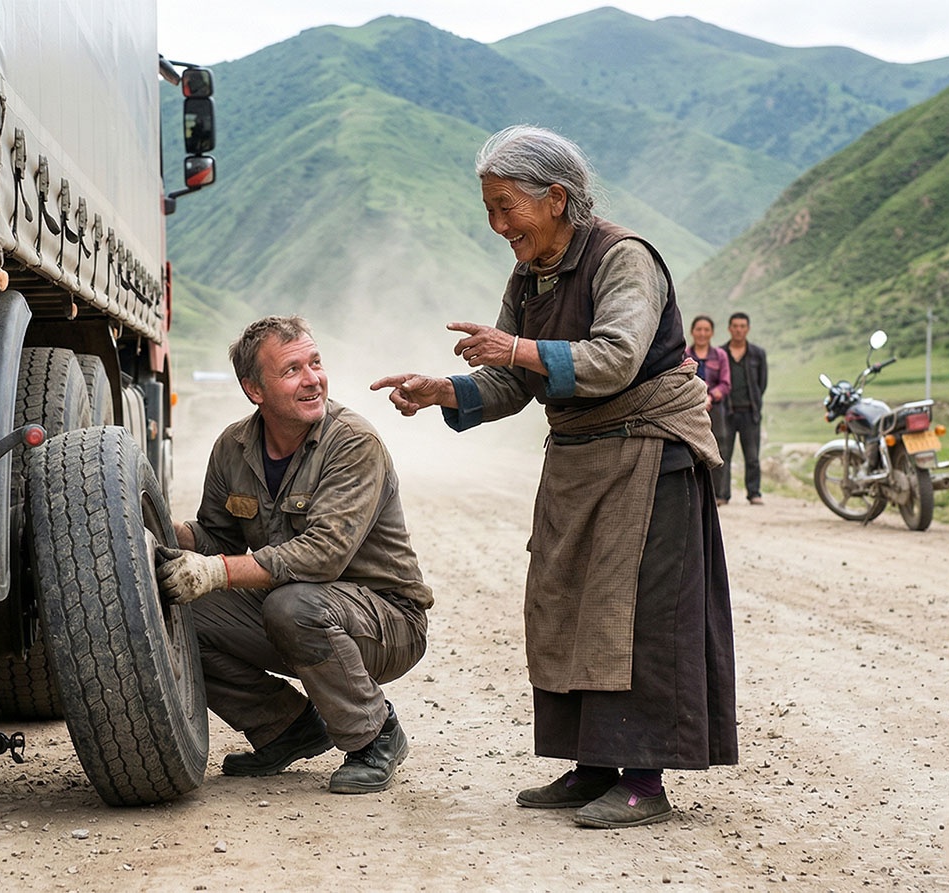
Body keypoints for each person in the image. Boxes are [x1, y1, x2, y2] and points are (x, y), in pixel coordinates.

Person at [370, 124, 737, 830]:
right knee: (569, 604)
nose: (497, 225)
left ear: (557, 198)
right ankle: (593, 764)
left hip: (649, 454)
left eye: (507, 207)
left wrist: (515, 345)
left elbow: (615, 359)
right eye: (489, 209)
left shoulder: (623, 258)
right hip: (578, 459)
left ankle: (645, 778)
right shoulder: (530, 273)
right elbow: (513, 377)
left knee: (635, 615)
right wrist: (443, 389)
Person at [156, 315, 431, 794]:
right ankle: (286, 727)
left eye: (316, 363)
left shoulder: (353, 444)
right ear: (254, 390)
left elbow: (323, 555)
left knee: (293, 606)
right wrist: (162, 530)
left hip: (387, 620)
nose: (313, 380)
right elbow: (218, 539)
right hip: (298, 607)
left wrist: (216, 571)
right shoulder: (232, 448)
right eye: (292, 370)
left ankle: (375, 735)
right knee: (179, 607)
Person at [721, 312, 768, 505]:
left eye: (742, 326)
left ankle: (754, 493)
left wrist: (755, 402)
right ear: (729, 328)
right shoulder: (721, 353)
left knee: (752, 456)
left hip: (750, 412)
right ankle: (722, 495)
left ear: (747, 329)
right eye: (735, 326)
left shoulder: (757, 353)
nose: (739, 329)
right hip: (726, 412)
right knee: (724, 455)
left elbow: (762, 383)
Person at [687, 315, 733, 504]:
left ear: (712, 333)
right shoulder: (685, 354)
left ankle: (718, 494)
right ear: (692, 331)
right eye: (699, 329)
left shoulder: (720, 355)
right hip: (691, 407)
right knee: (692, 449)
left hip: (714, 408)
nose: (702, 333)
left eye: (706, 330)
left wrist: (710, 396)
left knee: (718, 446)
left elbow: (725, 383)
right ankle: (695, 493)